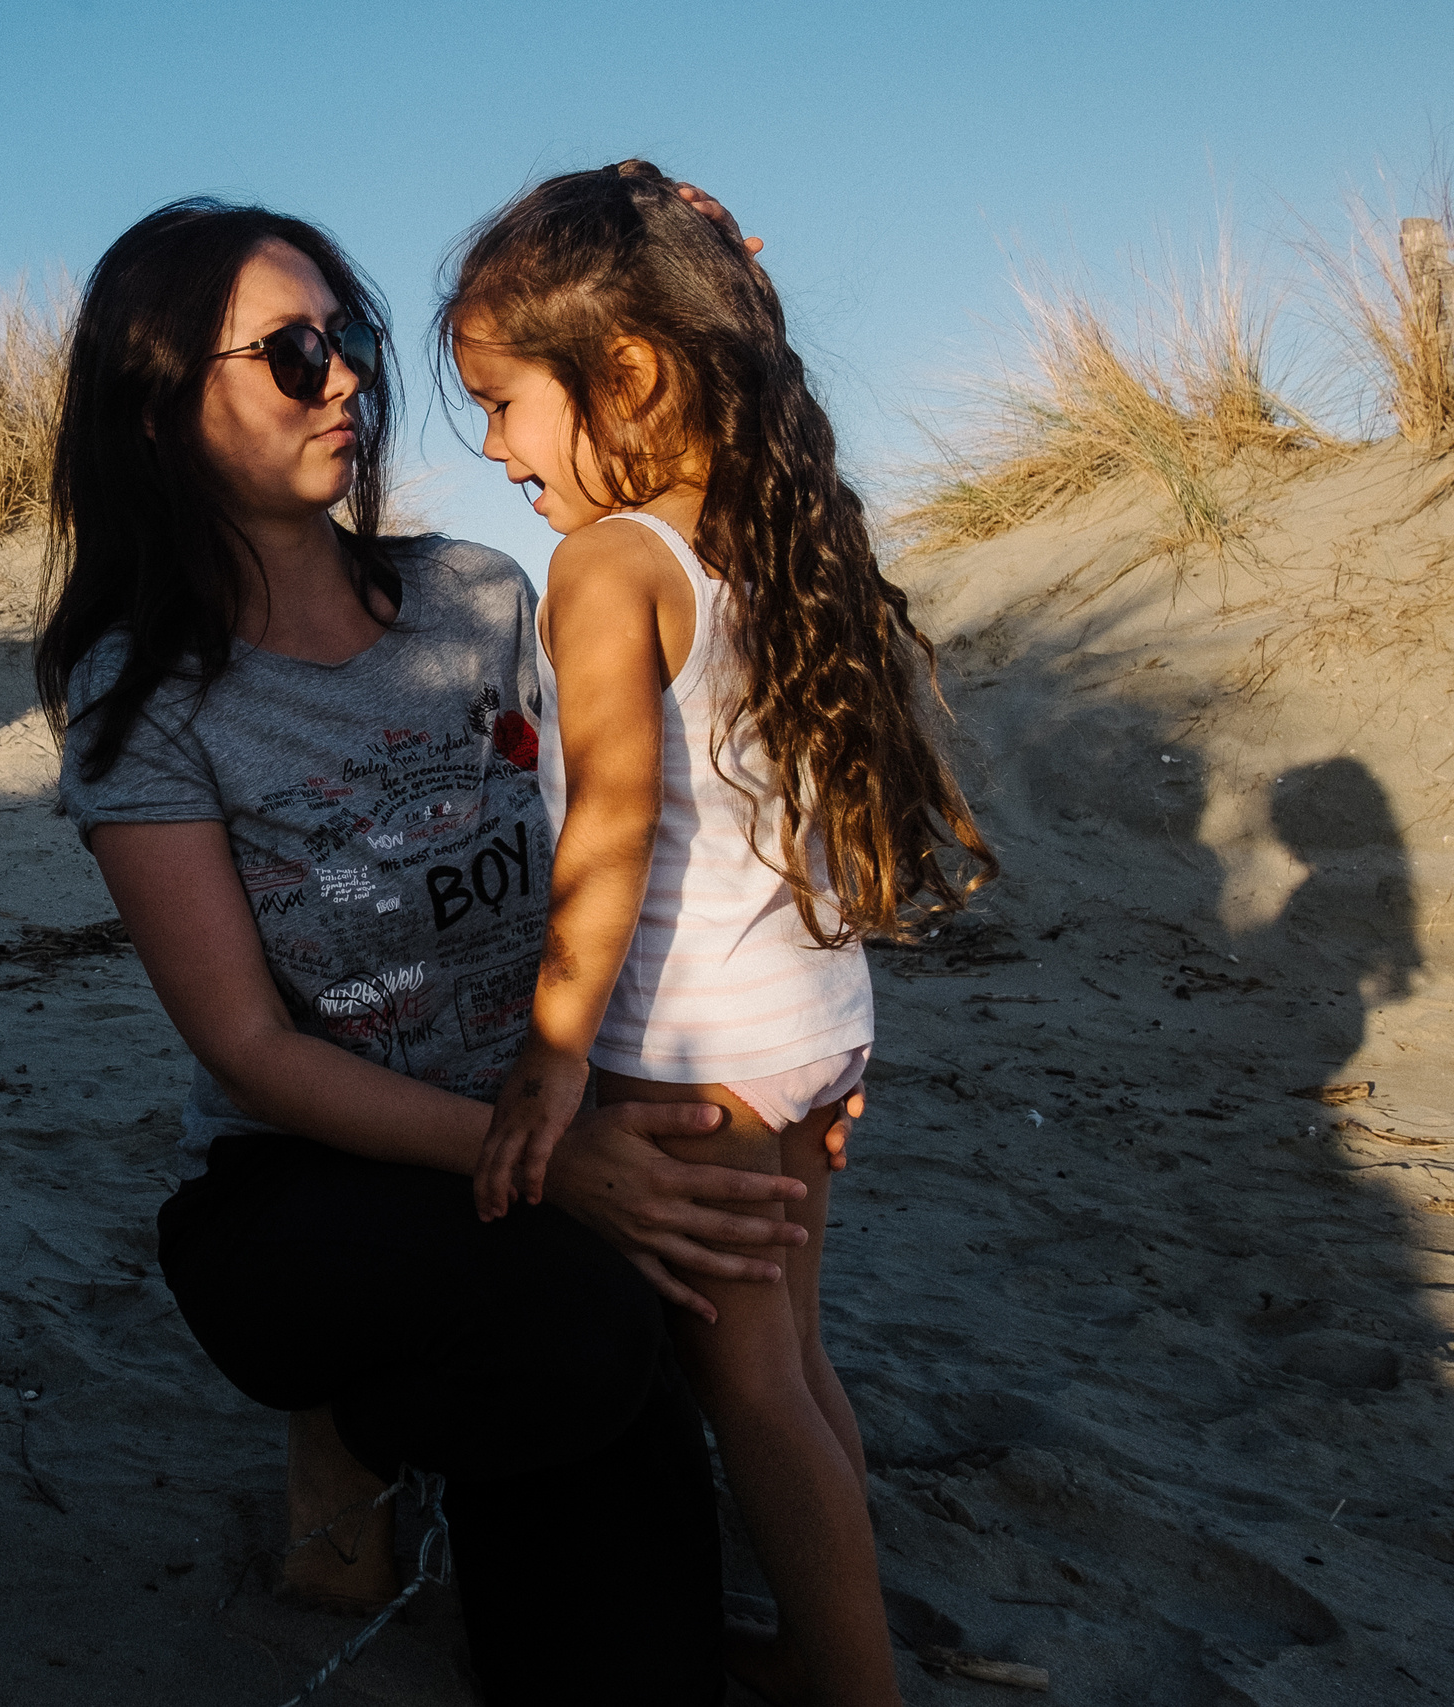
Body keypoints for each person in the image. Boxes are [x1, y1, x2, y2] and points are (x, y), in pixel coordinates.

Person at [36, 194, 857, 1703]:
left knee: (654, 1561)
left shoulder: (477, 596)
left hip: (543, 1129)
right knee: (578, 1323)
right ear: (157, 412)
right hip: (311, 1182)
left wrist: (777, 1056)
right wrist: (558, 1163)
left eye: (348, 336)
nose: (348, 374)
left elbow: (658, 820)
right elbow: (249, 1050)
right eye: (292, 353)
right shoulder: (143, 696)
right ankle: (349, 1425)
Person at [449, 162, 996, 1705]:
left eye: (503, 403)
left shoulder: (610, 561)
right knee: (797, 1357)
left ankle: (855, 1684)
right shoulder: (772, 539)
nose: (490, 447)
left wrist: (552, 1062)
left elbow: (611, 830)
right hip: (811, 1025)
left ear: (624, 373)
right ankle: (830, 1642)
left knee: (747, 1381)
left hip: (695, 1052)